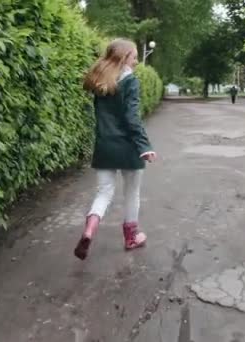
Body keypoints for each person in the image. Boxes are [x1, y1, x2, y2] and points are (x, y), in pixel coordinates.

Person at [74, 39, 157, 261]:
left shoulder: (101, 83)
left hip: (105, 146)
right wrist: (144, 146)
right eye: (134, 56)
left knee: (104, 193)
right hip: (129, 148)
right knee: (132, 193)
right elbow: (131, 117)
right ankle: (131, 237)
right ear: (124, 58)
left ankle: (89, 230)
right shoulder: (130, 82)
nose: (137, 60)